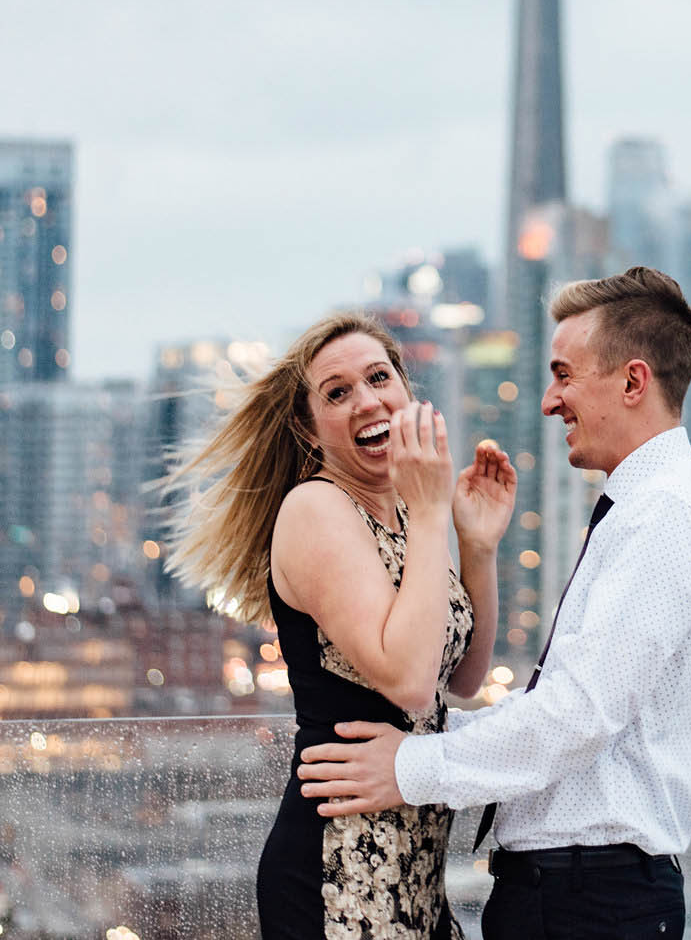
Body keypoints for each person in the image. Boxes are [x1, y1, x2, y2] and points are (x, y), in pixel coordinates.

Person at [297, 268, 691, 940]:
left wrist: (412, 764)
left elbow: (580, 713)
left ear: (632, 381)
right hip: (570, 896)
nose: (548, 400)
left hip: (590, 900)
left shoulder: (665, 513)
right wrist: (431, 746)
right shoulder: (644, 506)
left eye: (564, 374)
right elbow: (554, 703)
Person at [165, 312, 516, 939]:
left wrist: (477, 545)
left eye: (379, 377)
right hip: (340, 872)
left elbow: (460, 679)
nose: (366, 400)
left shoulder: (410, 514)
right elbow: (407, 684)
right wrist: (435, 510)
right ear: (309, 426)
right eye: (337, 392)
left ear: (406, 391)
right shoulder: (316, 508)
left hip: (416, 876)